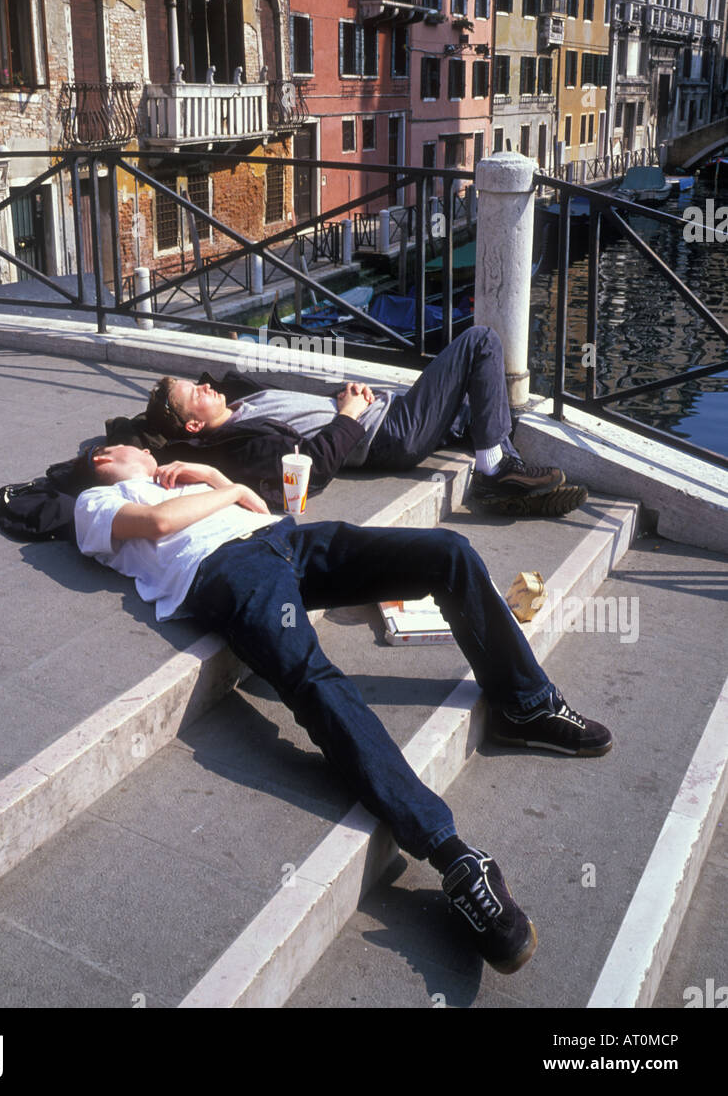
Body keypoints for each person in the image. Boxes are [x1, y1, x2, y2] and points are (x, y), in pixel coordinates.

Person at [72, 441, 612, 975]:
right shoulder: (92, 504)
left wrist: (208, 474)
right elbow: (160, 525)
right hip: (229, 574)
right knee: (313, 678)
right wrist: (230, 486)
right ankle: (456, 860)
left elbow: (258, 509)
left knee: (447, 552)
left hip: (285, 542)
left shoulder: (190, 483)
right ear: (103, 458)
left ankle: (526, 705)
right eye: (133, 446)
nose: (147, 450)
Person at [117, 325, 584, 515]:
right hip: (387, 433)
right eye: (193, 394)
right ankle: (495, 470)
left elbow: (152, 422)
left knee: (486, 406)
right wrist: (350, 414)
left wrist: (342, 398)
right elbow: (311, 472)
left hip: (381, 413)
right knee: (480, 341)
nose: (202, 387)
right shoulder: (239, 443)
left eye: (195, 384)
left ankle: (498, 461)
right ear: (194, 426)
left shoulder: (238, 403)